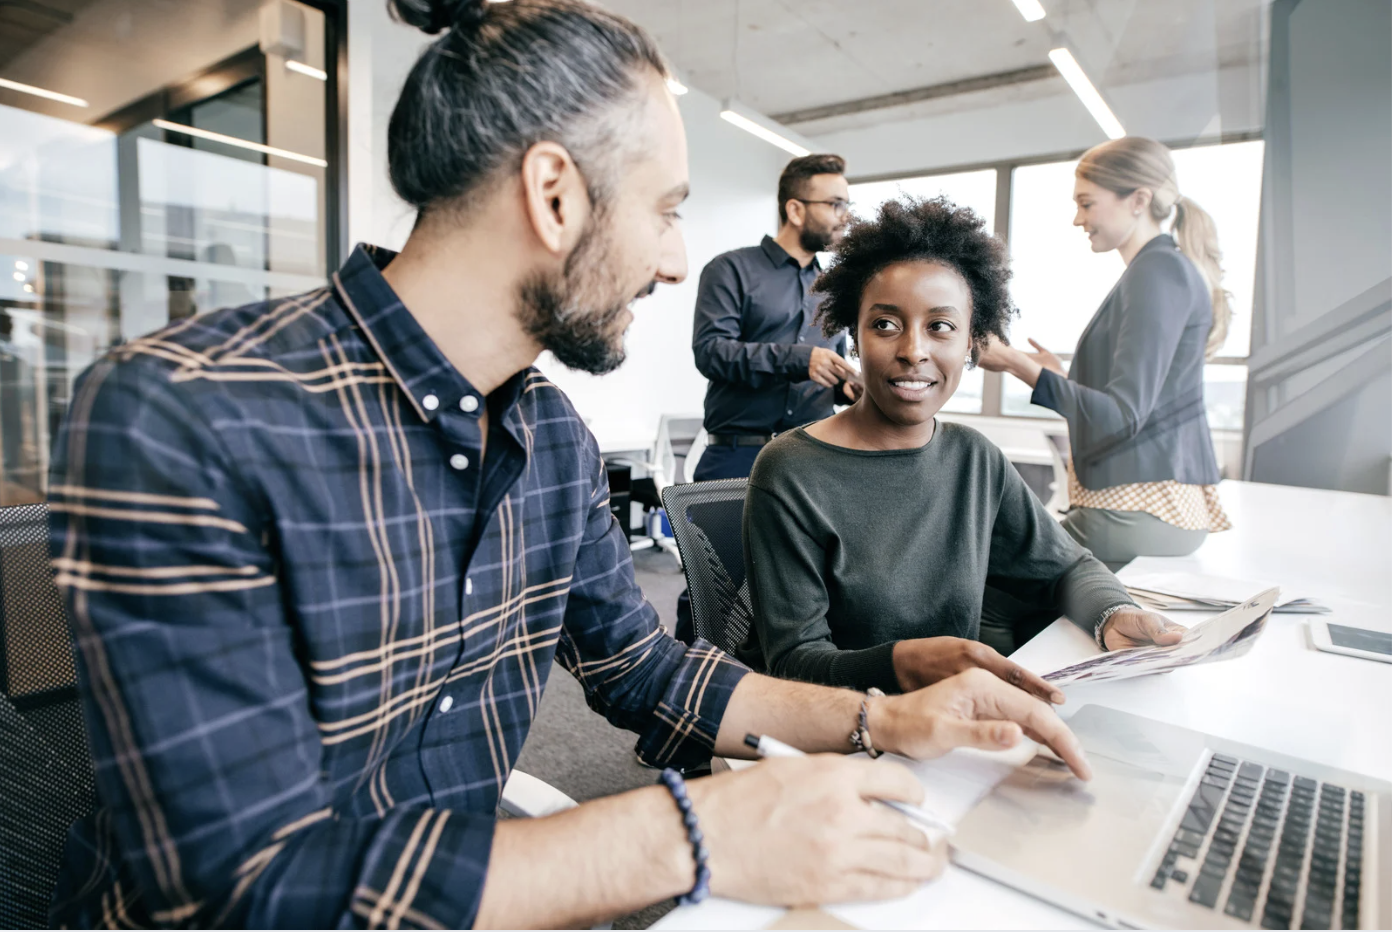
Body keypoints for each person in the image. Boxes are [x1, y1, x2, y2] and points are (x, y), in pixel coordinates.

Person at [45, 3, 1096, 928]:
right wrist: (696, 830)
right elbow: (240, 891)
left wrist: (882, 717)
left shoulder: (548, 435)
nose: (678, 259)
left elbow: (648, 671)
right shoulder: (184, 417)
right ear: (556, 194)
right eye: (668, 208)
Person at [740, 195, 1187, 697]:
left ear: (971, 343)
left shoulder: (974, 458)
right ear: (854, 335)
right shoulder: (791, 470)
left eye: (941, 327)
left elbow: (1066, 566)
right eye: (885, 324)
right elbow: (793, 663)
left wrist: (1112, 612)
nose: (913, 350)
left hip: (953, 721)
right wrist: (909, 664)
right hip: (848, 739)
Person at [976, 137, 1231, 569]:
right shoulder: (1157, 270)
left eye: (1087, 203)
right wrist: (1058, 377)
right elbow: (1133, 407)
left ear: (1138, 200)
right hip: (1149, 507)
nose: (1077, 219)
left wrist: (1017, 365)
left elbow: (1123, 416)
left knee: (990, 584)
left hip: (1141, 508)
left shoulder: (1157, 272)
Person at [690, 153, 859, 482]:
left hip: (813, 461)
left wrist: (847, 386)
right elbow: (710, 352)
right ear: (795, 210)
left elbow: (829, 369)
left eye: (847, 205)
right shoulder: (730, 270)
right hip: (737, 461)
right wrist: (799, 359)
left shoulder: (833, 290)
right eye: (835, 204)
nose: (845, 217)